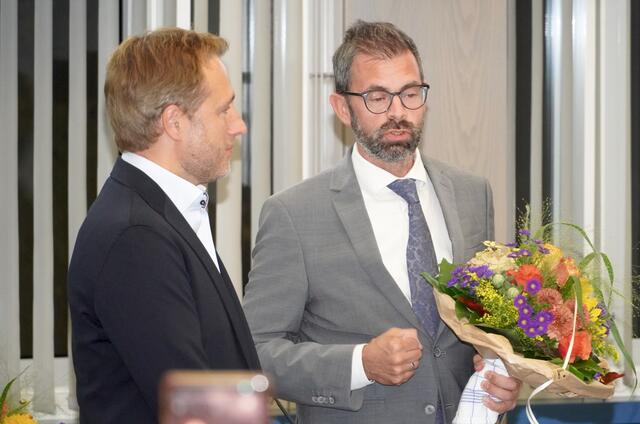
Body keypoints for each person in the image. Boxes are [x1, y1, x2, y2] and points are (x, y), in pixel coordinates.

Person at [243, 20, 520, 423]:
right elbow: (255, 352)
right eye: (377, 97)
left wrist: (504, 374)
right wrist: (360, 364)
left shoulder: (472, 193)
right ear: (342, 108)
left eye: (410, 93)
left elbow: (486, 327)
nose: (397, 112)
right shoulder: (294, 214)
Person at [67, 28, 259, 424]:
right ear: (174, 122)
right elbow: (196, 411)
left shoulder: (162, 215)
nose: (238, 125)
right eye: (223, 110)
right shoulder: (136, 237)